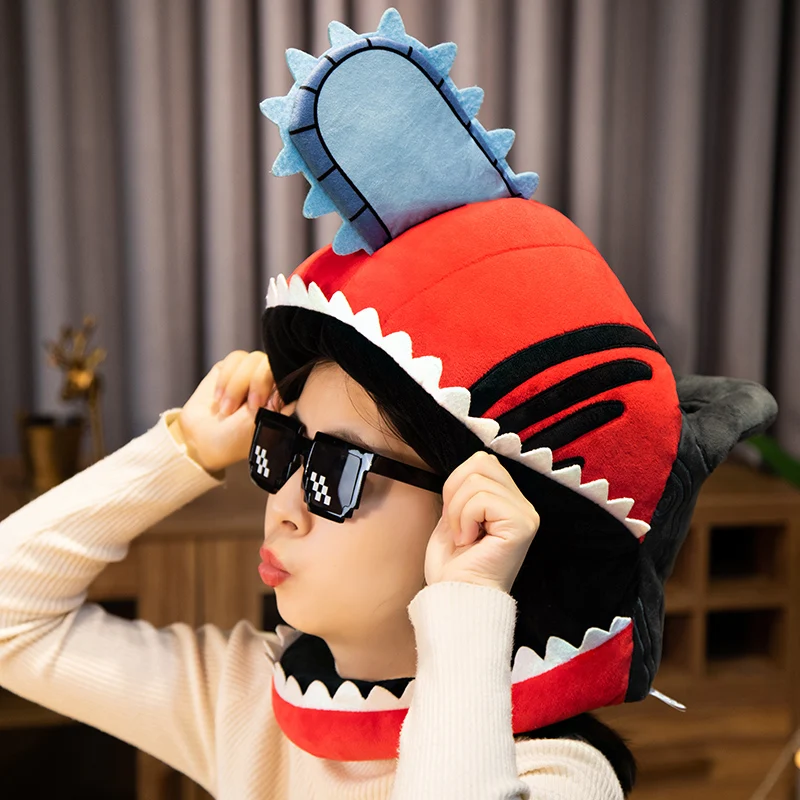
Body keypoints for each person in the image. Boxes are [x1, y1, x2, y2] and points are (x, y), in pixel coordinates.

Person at [0, 7, 778, 799]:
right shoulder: (249, 703)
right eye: (281, 448)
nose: (282, 510)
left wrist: (468, 604)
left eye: (335, 472)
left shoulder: (558, 774)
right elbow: (9, 617)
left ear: (489, 518)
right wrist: (183, 452)